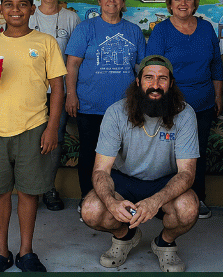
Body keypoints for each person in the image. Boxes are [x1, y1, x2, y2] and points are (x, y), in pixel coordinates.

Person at [0, 0, 67, 272]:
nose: (15, 10)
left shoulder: (45, 42)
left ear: (32, 9)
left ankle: (26, 252)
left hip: (33, 127)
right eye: (9, 4)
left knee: (28, 192)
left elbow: (58, 89)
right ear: (1, 10)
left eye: (22, 4)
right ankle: (1, 252)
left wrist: (51, 128)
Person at [79, 55, 200, 272]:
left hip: (164, 182)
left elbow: (187, 174)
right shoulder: (116, 112)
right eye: (149, 78)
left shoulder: (185, 113)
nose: (155, 85)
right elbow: (101, 170)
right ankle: (125, 236)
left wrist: (155, 200)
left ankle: (165, 243)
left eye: (162, 79)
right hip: (124, 181)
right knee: (91, 210)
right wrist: (111, 202)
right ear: (138, 82)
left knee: (189, 209)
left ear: (171, 83)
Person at [144, 0, 223, 219]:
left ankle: (197, 198)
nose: (183, 3)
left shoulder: (206, 28)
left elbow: (216, 65)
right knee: (165, 152)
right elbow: (152, 69)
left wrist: (218, 96)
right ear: (169, 4)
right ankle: (163, 200)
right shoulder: (161, 31)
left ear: (194, 3)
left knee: (195, 152)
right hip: (169, 105)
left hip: (202, 103)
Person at [64, 0, 146, 203]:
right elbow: (72, 64)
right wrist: (71, 95)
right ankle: (88, 199)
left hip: (124, 107)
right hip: (90, 105)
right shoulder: (86, 28)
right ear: (99, 1)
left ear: (123, 2)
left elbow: (141, 69)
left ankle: (118, 199)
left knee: (123, 157)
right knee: (90, 154)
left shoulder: (133, 31)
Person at [29, 0, 80, 211]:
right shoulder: (27, 16)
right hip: (30, 89)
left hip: (58, 90)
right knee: (29, 137)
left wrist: (71, 92)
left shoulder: (71, 18)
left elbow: (75, 58)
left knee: (55, 138)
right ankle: (29, 186)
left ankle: (48, 187)